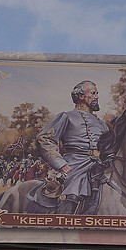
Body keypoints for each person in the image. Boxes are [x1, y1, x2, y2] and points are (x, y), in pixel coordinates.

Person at [36, 80, 110, 214]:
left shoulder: (101, 123)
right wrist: (60, 164)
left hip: (99, 166)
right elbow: (44, 139)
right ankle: (62, 225)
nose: (97, 96)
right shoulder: (66, 116)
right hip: (74, 165)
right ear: (81, 96)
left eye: (97, 93)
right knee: (73, 191)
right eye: (93, 93)